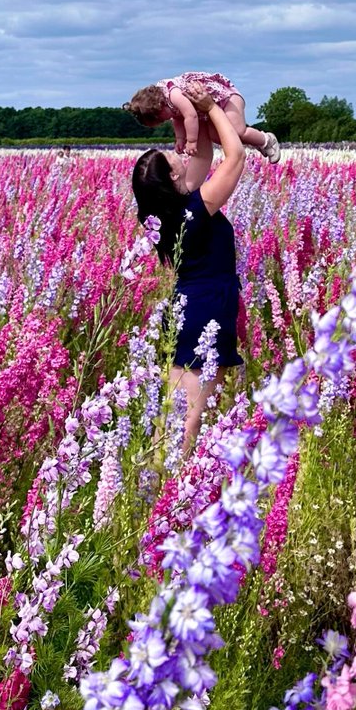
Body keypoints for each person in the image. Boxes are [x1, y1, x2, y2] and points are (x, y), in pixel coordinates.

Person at [131, 82, 247, 450]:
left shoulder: (171, 214)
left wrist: (190, 117)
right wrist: (211, 107)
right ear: (173, 179)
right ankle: (171, 491)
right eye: (170, 159)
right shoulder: (193, 212)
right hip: (205, 311)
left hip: (198, 308)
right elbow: (235, 157)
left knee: (190, 410)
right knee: (189, 420)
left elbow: (204, 155)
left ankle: (169, 485)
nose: (175, 154)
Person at [123, 70, 280, 176]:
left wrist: (191, 141)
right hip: (213, 107)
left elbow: (190, 116)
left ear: (158, 107)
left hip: (227, 99)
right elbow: (177, 119)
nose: (163, 121)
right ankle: (257, 143)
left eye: (160, 119)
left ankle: (266, 140)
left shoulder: (174, 95)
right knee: (217, 137)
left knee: (238, 131)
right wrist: (180, 140)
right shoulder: (167, 104)